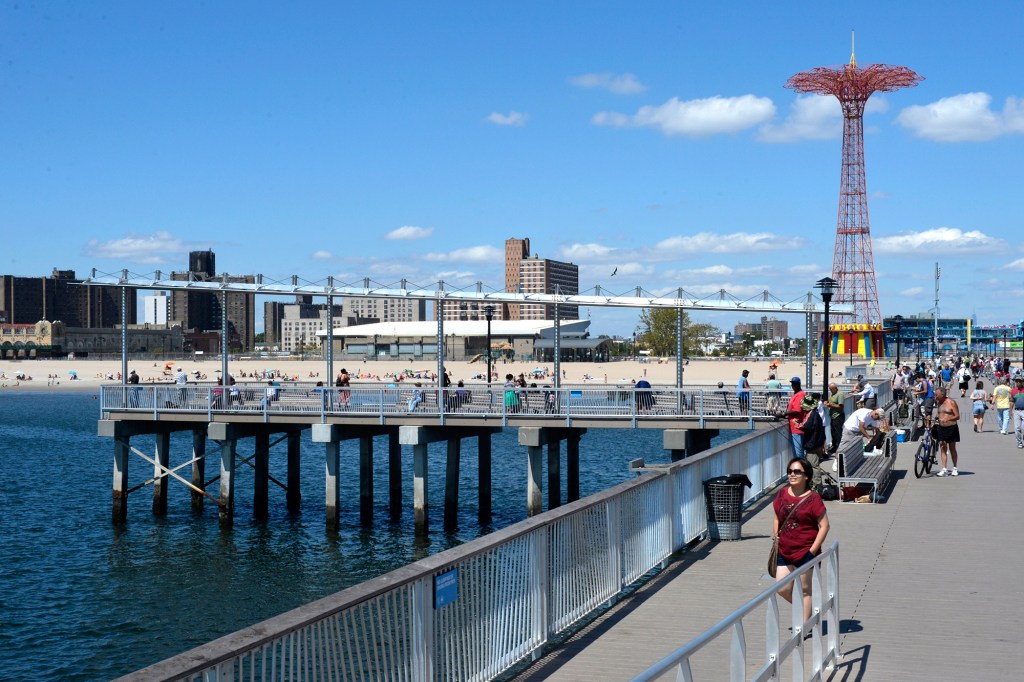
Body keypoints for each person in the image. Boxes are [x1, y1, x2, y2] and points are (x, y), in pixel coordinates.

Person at [772, 457, 830, 627]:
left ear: (806, 476)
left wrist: (811, 552)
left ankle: (804, 627)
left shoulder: (814, 499)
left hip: (805, 551)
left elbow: (824, 526)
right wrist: (776, 536)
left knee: (805, 590)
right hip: (784, 550)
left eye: (797, 471)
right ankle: (805, 611)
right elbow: (776, 516)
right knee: (781, 588)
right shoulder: (783, 493)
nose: (792, 474)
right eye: (790, 471)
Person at [934, 387, 961, 477]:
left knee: (952, 448)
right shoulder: (939, 402)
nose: (935, 396)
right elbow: (939, 413)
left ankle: (954, 468)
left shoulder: (951, 402)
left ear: (942, 395)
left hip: (951, 427)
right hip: (941, 427)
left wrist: (948, 418)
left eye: (936, 395)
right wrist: (936, 417)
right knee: (942, 447)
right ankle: (944, 469)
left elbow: (957, 416)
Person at [782, 377, 807, 460]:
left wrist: (783, 414)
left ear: (798, 384)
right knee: (798, 450)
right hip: (795, 426)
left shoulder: (800, 394)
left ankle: (801, 468)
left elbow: (797, 410)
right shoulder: (797, 394)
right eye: (792, 384)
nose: (793, 385)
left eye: (795, 384)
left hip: (797, 427)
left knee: (798, 452)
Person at [825, 382, 845, 456]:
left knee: (838, 433)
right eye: (829, 389)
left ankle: (839, 448)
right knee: (833, 432)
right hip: (833, 416)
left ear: (835, 388)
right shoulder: (832, 394)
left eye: (831, 389)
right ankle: (834, 446)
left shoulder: (840, 394)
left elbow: (841, 406)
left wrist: (831, 405)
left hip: (838, 416)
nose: (830, 390)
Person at [1012, 377, 1024, 449]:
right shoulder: (1013, 391)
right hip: (1016, 411)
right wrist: (1010, 411)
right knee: (1017, 428)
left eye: (1019, 381)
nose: (1018, 382)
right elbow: (1011, 402)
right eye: (1017, 381)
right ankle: (1019, 442)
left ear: (1022, 382)